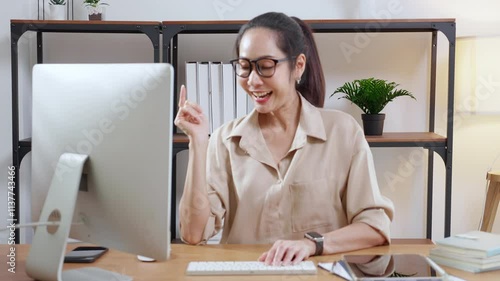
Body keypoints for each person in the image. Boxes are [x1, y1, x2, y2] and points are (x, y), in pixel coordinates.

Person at [174, 11, 394, 266]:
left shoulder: (343, 132)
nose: (253, 81)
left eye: (266, 67)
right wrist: (198, 143)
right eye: (244, 68)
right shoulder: (225, 140)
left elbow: (375, 228)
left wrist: (313, 244)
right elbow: (192, 234)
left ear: (298, 65)